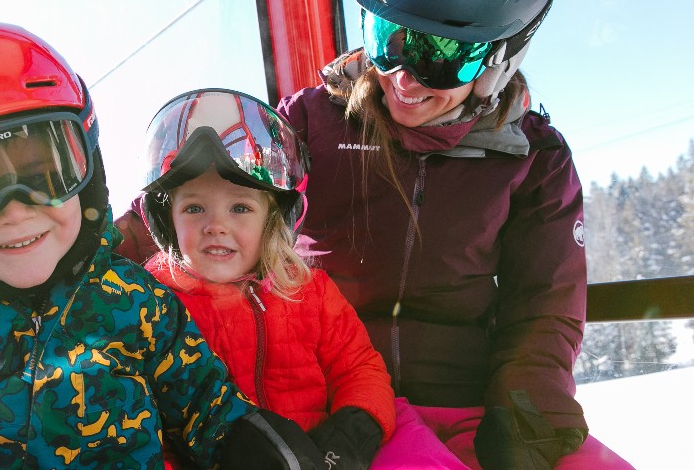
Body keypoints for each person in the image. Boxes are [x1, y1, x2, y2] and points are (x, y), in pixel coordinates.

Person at [114, 0, 634, 468]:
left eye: (441, 56)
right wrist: (81, 253)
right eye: (388, 38)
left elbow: (545, 305)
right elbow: (204, 188)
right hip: (330, 396)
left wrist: (527, 413)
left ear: (499, 59)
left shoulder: (531, 158)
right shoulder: (314, 120)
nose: (402, 76)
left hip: (466, 399)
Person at [0, 21, 326, 469]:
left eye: (45, 174)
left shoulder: (133, 299)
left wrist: (246, 439)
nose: (13, 210)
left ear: (88, 172)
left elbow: (200, 402)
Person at [133, 88, 475, 470]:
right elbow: (144, 420)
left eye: (240, 208)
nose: (216, 226)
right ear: (168, 221)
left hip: (328, 452)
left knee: (413, 448)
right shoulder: (155, 311)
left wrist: (352, 431)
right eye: (194, 207)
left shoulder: (307, 290)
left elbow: (359, 367)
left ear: (272, 220)